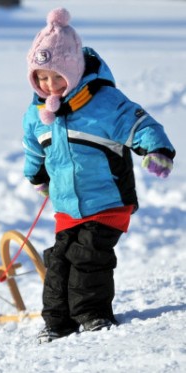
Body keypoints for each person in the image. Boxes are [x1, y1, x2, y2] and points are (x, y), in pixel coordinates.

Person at [22, 8, 176, 344]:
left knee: (88, 255)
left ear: (74, 69)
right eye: (42, 78)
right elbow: (34, 148)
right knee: (59, 260)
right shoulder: (37, 114)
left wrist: (157, 150)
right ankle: (57, 322)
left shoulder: (104, 102)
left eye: (57, 77)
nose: (50, 85)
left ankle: (92, 314)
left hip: (107, 200)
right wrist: (36, 177)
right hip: (67, 206)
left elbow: (140, 124)